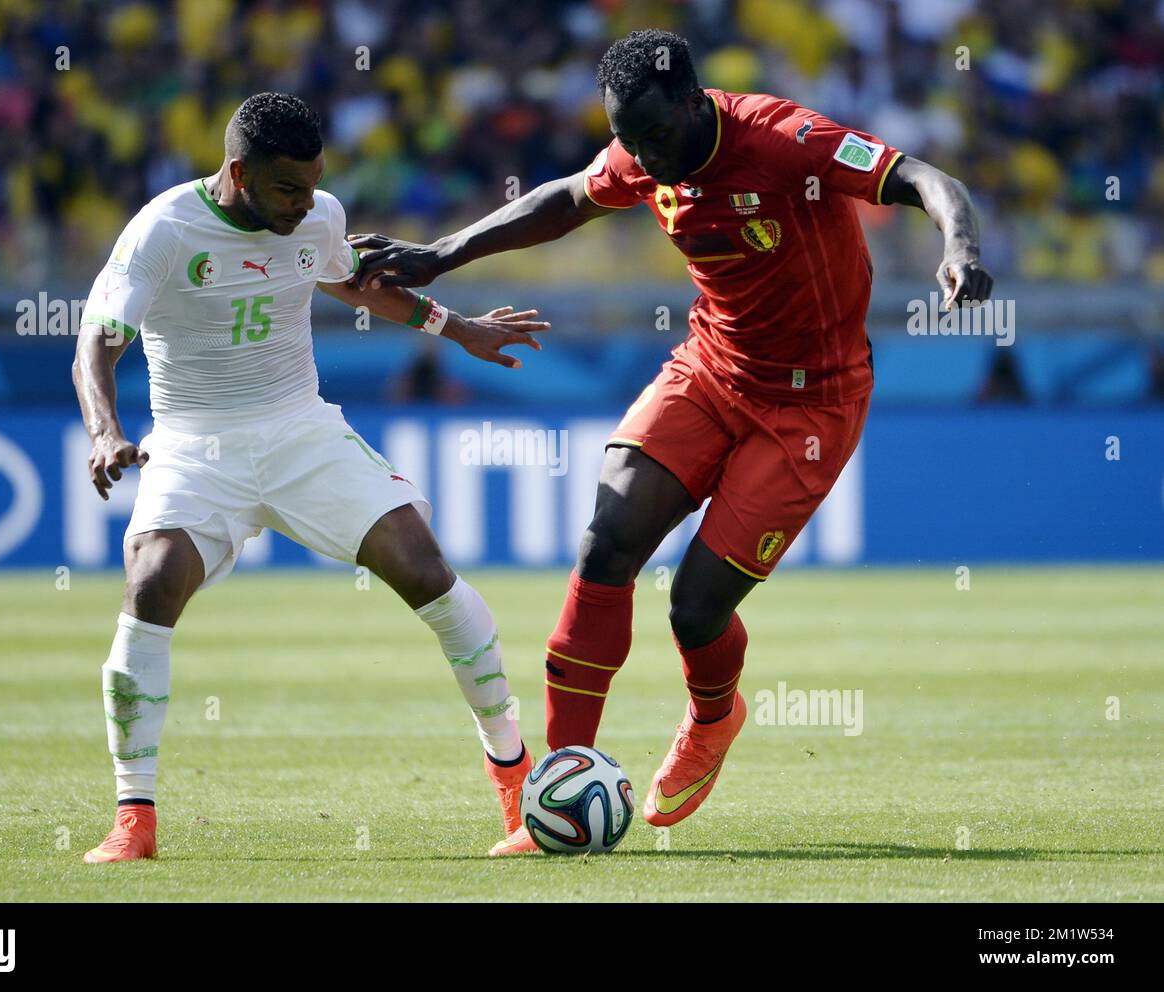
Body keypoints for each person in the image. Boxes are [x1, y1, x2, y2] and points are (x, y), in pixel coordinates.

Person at [353, 30, 994, 855]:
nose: (645, 157)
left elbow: (923, 178)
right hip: (712, 369)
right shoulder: (640, 152)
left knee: (694, 609)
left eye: (656, 135)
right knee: (608, 536)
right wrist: (445, 254)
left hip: (813, 402)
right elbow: (566, 199)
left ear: (696, 102)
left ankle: (713, 715)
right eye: (629, 137)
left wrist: (961, 244)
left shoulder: (781, 138)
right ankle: (561, 786)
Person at [72, 92, 548, 862]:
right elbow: (95, 344)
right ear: (239, 173)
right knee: (152, 582)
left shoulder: (318, 215)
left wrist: (463, 330)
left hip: (301, 432)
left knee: (426, 570)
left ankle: (515, 782)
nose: (307, 202)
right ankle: (134, 820)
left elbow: (358, 284)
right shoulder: (162, 230)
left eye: (315, 182)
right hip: (196, 447)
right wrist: (104, 433)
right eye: (288, 188)